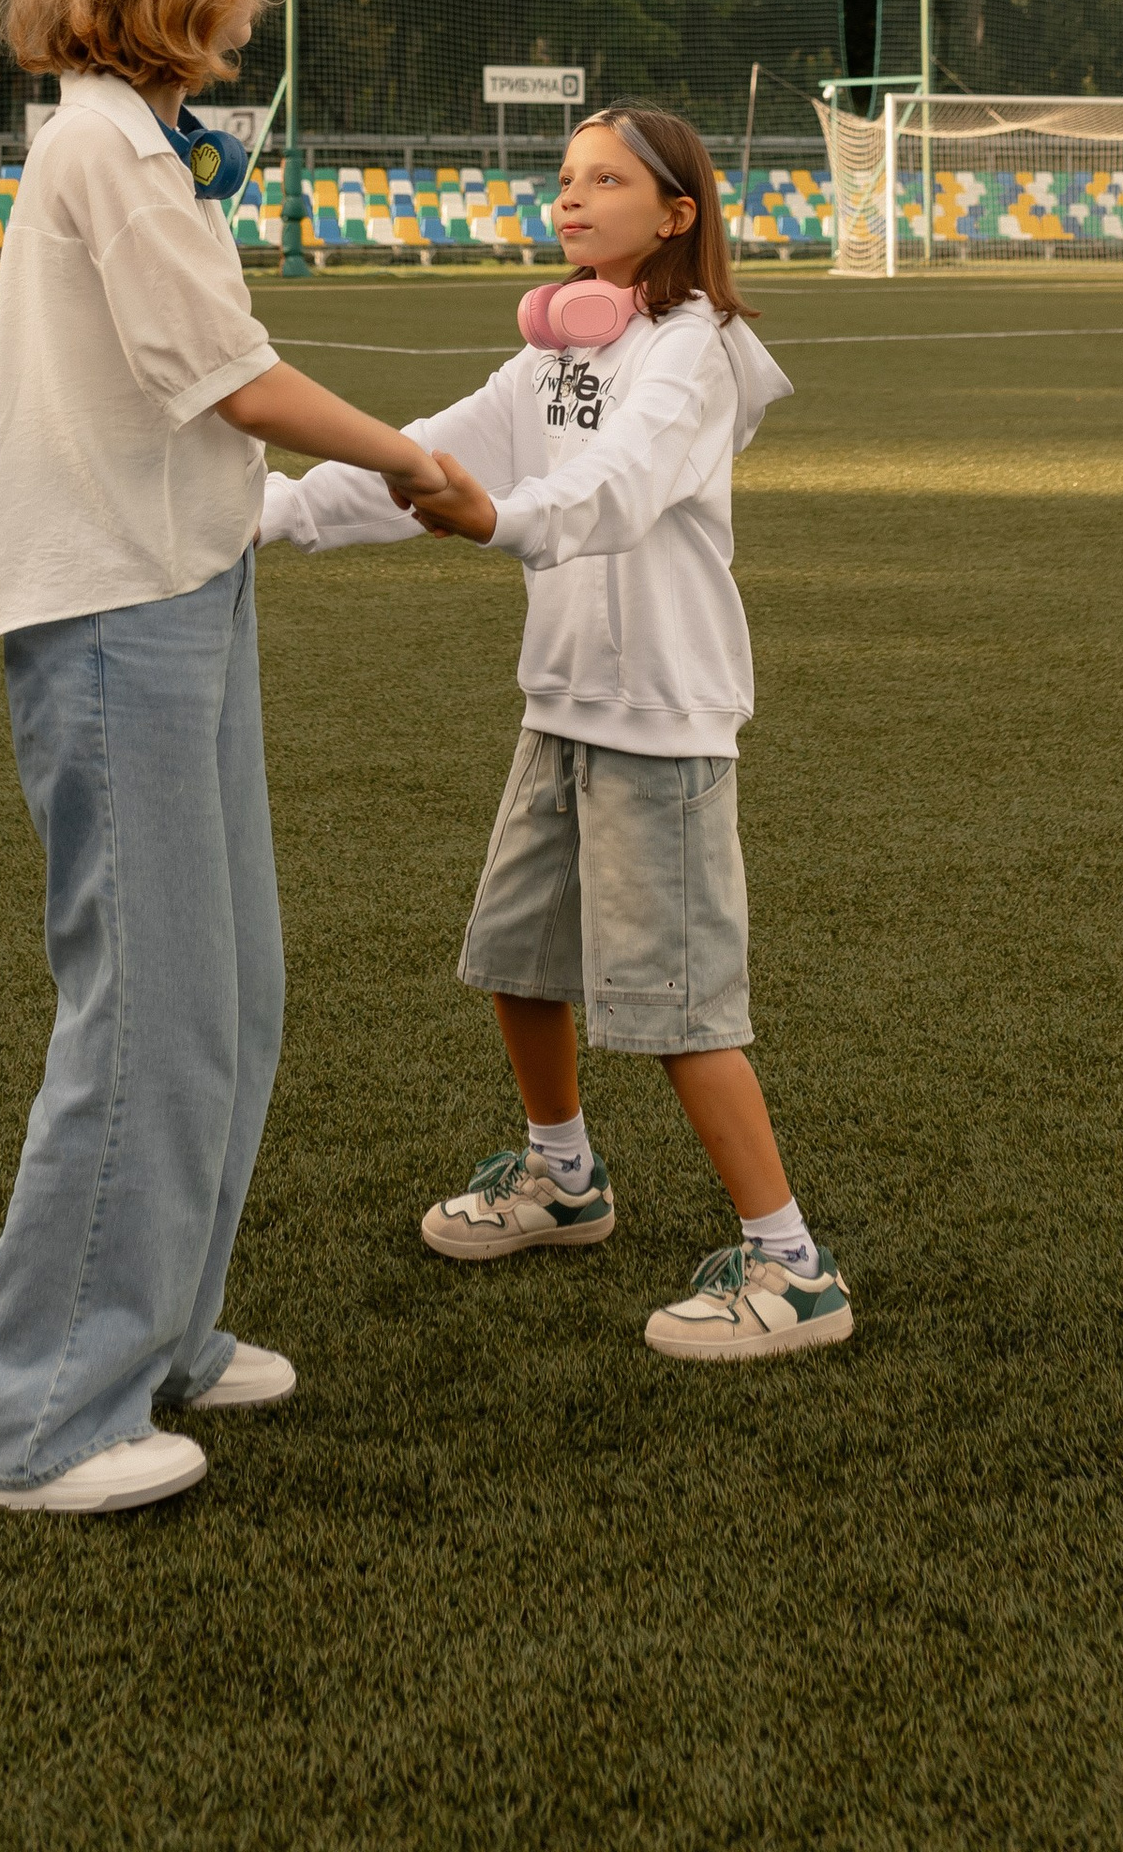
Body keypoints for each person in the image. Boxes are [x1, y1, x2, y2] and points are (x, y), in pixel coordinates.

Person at [0, 0, 451, 1518]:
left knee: (230, 990)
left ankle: (157, 1333)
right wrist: (414, 466)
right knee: (146, 1005)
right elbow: (230, 376)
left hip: (185, 584)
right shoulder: (106, 157)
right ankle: (30, 1429)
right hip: (112, 615)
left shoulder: (142, 147)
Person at [261, 106, 853, 1361]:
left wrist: (496, 518)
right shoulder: (549, 361)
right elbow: (420, 458)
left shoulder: (694, 352)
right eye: (565, 178)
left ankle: (791, 1265)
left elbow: (615, 490)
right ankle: (564, 1180)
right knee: (519, 962)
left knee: (683, 1007)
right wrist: (264, 515)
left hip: (662, 720)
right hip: (563, 703)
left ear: (675, 215)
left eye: (605, 180)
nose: (571, 199)